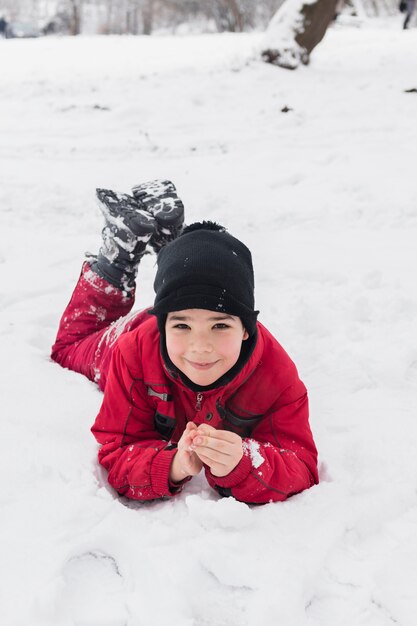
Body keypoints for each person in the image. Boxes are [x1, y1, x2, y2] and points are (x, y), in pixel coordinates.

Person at [51, 180, 318, 504]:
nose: (200, 346)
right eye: (182, 327)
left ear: (246, 328)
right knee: (69, 348)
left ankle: (172, 244)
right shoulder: (131, 352)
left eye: (220, 325)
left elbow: (301, 464)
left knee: (192, 304)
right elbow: (117, 449)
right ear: (162, 326)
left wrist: (243, 463)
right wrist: (172, 465)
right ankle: (118, 256)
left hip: (173, 304)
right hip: (133, 331)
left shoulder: (277, 377)